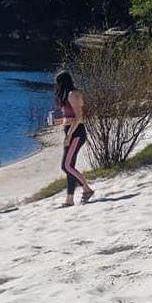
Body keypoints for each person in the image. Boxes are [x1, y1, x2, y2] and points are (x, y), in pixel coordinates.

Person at [54, 70, 94, 207]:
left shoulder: (72, 94)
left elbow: (78, 116)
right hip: (71, 131)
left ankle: (87, 189)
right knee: (68, 166)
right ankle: (69, 199)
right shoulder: (68, 95)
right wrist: (59, 122)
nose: (56, 86)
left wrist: (69, 135)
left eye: (58, 83)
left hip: (76, 133)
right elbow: (70, 117)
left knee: (67, 166)